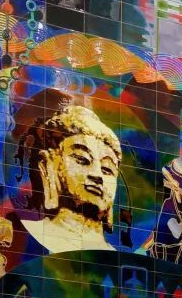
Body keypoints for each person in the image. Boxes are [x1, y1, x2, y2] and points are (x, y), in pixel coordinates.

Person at [15, 103, 121, 254]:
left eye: (107, 169)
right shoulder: (25, 233)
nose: (97, 175)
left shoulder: (117, 259)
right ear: (49, 164)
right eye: (82, 159)